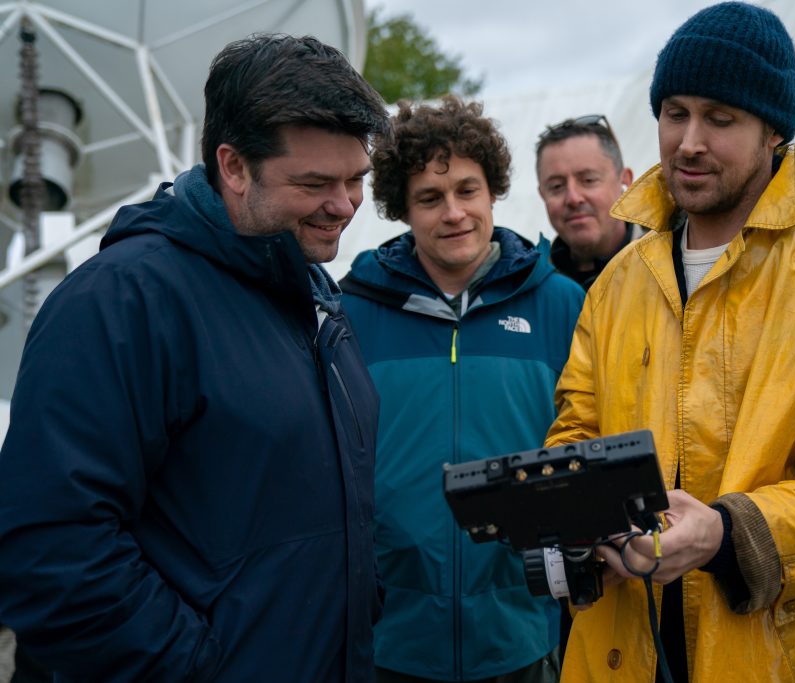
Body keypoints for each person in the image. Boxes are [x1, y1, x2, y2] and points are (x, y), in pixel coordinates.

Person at [545, 3, 795, 682]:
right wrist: (573, 517)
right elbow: (577, 431)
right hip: (624, 648)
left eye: (720, 118)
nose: (689, 141)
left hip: (779, 656)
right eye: (674, 112)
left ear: (773, 133)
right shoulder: (618, 285)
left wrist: (729, 534)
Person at [0, 34, 389, 681]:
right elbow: (51, 552)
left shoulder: (316, 299)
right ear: (233, 166)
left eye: (356, 180)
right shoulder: (120, 302)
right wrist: (201, 667)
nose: (345, 205)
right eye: (316, 182)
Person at [339, 95, 584, 682]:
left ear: (492, 191)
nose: (453, 213)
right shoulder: (350, 313)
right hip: (391, 637)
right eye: (430, 198)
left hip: (521, 632)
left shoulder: (562, 304)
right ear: (402, 208)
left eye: (467, 191)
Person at [535, 115, 643, 290]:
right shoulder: (531, 286)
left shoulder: (669, 269)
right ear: (542, 194)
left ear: (625, 181)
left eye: (588, 180)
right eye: (556, 186)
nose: (573, 198)